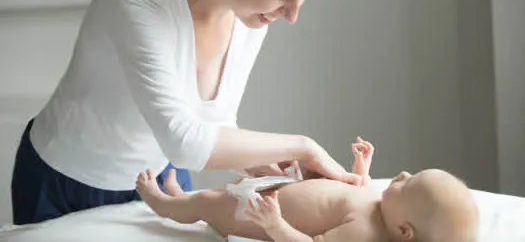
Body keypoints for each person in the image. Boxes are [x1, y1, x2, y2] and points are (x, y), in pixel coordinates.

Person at [10, 0, 363, 225]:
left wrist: (264, 166)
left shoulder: (251, 14)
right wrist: (304, 147)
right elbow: (185, 142)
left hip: (160, 178)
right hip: (67, 183)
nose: (291, 15)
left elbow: (214, 122)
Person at [136, 137, 480, 242]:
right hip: (280, 187)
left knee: (208, 204)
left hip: (259, 214)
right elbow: (357, 188)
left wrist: (275, 226)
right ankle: (180, 198)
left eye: (408, 184)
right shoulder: (384, 207)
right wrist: (362, 168)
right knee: (209, 198)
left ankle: (163, 203)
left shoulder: (365, 232)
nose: (403, 173)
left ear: (404, 231)